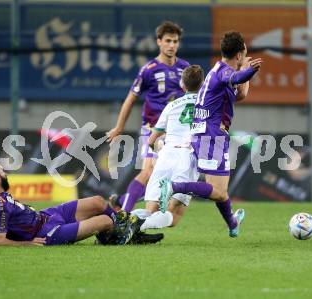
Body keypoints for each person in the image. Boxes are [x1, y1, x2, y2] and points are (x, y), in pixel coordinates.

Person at [159, 31, 263, 237]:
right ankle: (172, 187)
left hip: (205, 134)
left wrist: (244, 70)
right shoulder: (224, 73)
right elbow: (236, 77)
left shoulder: (218, 70)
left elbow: (240, 94)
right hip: (211, 135)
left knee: (221, 191)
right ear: (240, 55)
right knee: (217, 191)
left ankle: (233, 225)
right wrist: (249, 71)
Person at [0, 162, 150, 247]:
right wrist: (29, 243)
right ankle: (117, 234)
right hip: (48, 232)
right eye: (1, 170)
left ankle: (122, 228)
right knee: (103, 220)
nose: (5, 172)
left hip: (47, 215)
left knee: (98, 202)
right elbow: (0, 240)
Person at [106, 21, 190, 212]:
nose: (172, 45)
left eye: (175, 41)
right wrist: (119, 127)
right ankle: (124, 215)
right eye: (168, 41)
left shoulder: (185, 68)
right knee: (149, 171)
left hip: (176, 133)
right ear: (159, 41)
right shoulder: (149, 69)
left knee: (169, 177)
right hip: (153, 129)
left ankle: (122, 201)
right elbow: (130, 99)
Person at [130, 65, 203, 230]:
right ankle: (140, 227)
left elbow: (151, 140)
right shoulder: (207, 106)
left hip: (167, 154)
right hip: (188, 157)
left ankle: (125, 221)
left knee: (151, 209)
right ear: (202, 85)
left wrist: (158, 153)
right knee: (174, 215)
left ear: (182, 85)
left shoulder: (171, 106)